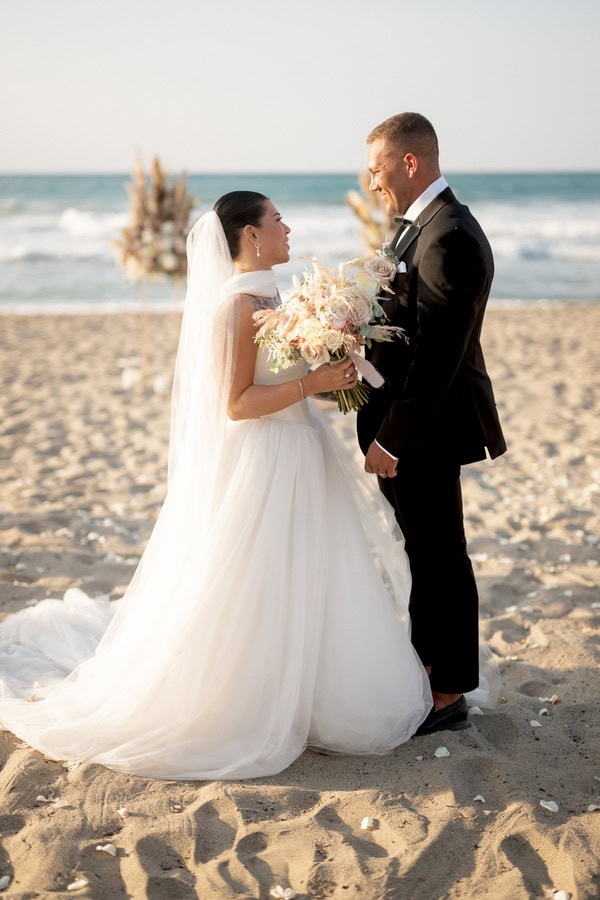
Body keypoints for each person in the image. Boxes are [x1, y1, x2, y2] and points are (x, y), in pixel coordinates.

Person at [0, 191, 432, 780]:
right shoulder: (238, 305)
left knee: (308, 578)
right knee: (259, 583)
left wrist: (335, 374)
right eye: (277, 219)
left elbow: (286, 377)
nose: (287, 226)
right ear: (251, 237)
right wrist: (312, 385)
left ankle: (308, 696)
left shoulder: (275, 295)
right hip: (267, 459)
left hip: (301, 452)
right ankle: (253, 698)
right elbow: (238, 403)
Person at [357, 114, 507, 736]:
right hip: (413, 424)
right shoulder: (420, 228)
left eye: (377, 167)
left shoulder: (447, 236)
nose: (370, 181)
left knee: (441, 553)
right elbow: (405, 326)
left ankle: (446, 695)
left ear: (409, 162)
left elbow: (440, 354)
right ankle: (432, 671)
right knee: (426, 548)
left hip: (426, 428)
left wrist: (393, 435)